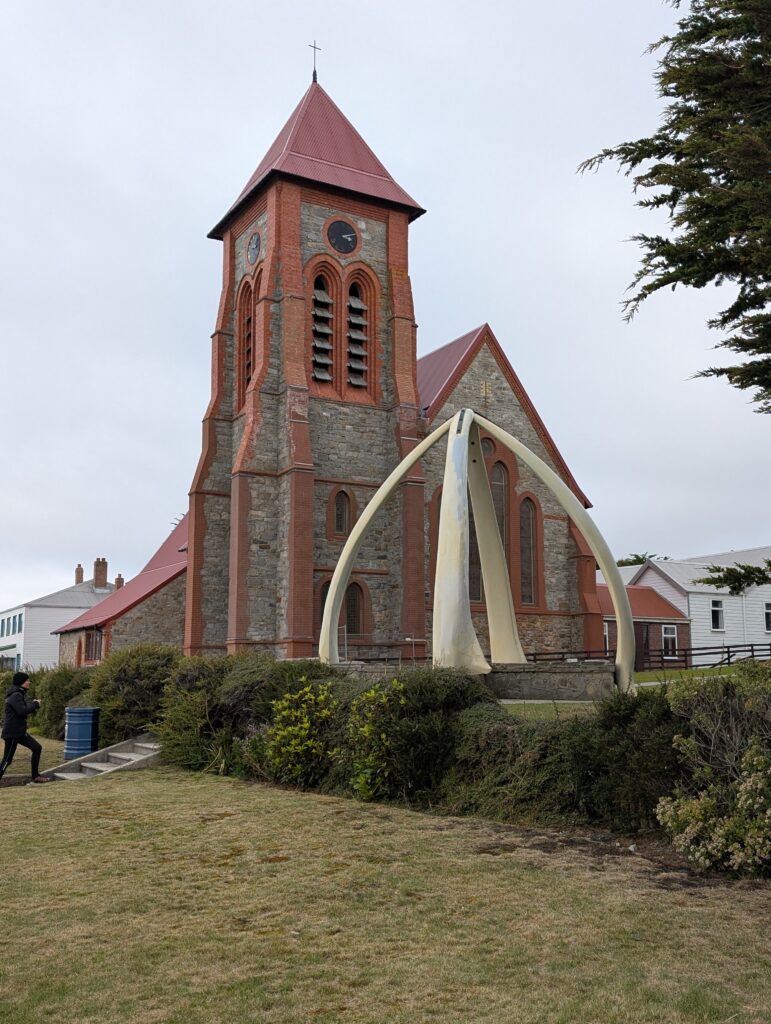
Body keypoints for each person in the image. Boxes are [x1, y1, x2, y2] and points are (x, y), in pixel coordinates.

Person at [0, 672, 51, 783]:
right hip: (12, 733)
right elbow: (22, 711)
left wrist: (33, 704)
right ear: (21, 682)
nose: (29, 682)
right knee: (7, 760)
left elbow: (23, 708)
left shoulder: (18, 693)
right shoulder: (15, 695)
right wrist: (36, 704)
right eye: (27, 680)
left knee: (37, 748)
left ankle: (35, 776)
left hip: (20, 732)